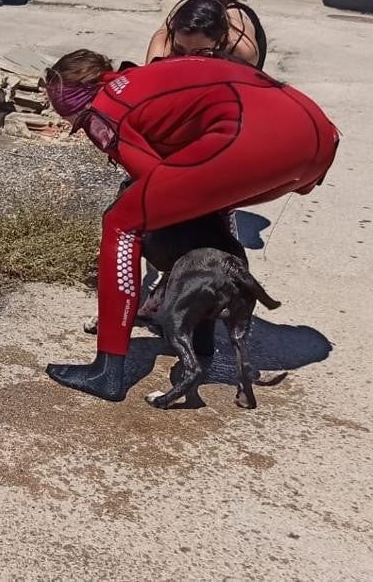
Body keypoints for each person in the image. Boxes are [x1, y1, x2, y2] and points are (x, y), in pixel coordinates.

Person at [41, 50, 339, 401]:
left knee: (122, 221)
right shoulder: (141, 78)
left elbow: (150, 176)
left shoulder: (101, 107)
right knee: (205, 202)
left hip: (251, 136)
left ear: (71, 96)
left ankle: (107, 370)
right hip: (317, 136)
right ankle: (202, 340)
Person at [146, 0, 265, 68]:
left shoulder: (243, 51)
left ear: (221, 40)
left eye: (199, 53)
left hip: (236, 18)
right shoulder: (163, 44)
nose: (187, 60)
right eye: (179, 50)